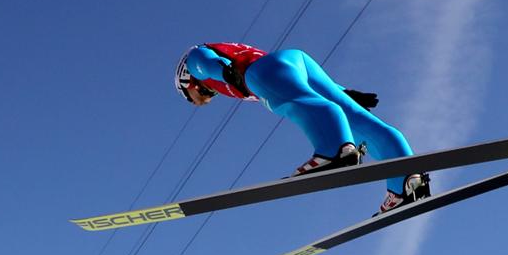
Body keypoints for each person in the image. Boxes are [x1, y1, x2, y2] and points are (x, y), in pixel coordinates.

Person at [175, 42, 430, 214]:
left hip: (261, 70)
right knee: (357, 119)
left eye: (190, 96)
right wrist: (344, 92)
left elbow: (202, 61)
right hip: (295, 61)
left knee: (295, 102)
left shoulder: (195, 62)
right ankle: (406, 179)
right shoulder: (223, 63)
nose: (201, 101)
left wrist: (227, 73)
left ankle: (334, 151)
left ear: (187, 81)